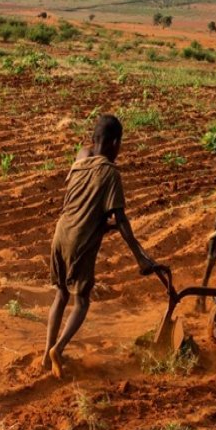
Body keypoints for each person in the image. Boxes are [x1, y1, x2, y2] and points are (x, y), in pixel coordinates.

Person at [44, 114, 163, 378]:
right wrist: (140, 258)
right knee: (82, 301)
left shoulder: (81, 156)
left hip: (60, 233)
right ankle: (58, 349)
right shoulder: (110, 173)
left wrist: (101, 224)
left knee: (60, 295)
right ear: (115, 143)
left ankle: (45, 354)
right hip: (79, 241)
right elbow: (121, 220)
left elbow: (86, 205)